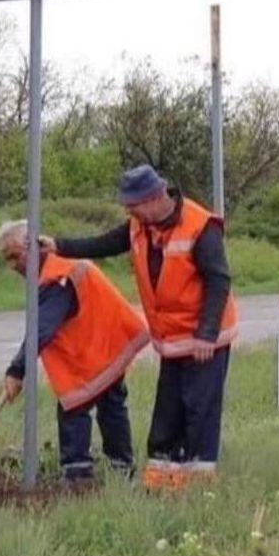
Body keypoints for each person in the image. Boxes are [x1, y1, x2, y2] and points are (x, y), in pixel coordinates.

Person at [41, 164, 239, 490]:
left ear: (154, 198)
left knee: (199, 410)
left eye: (132, 206)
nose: (128, 212)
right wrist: (58, 245)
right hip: (173, 339)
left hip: (206, 339)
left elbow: (218, 280)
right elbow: (104, 244)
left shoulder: (200, 225)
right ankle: (163, 481)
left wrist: (207, 333)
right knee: (169, 410)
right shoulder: (139, 225)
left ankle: (198, 485)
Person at [0, 220, 149, 481]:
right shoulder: (57, 268)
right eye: (7, 260)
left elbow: (41, 329)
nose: (13, 266)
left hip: (101, 346)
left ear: (33, 246)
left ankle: (78, 476)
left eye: (14, 256)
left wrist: (16, 370)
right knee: (110, 403)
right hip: (103, 346)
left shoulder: (58, 276)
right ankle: (120, 469)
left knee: (75, 406)